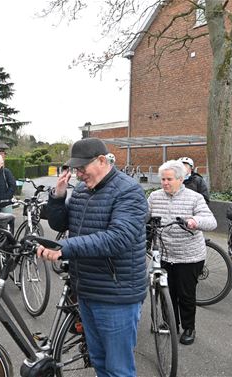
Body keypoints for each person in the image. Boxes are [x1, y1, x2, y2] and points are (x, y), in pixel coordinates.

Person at [37, 137, 148, 376]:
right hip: (86, 289)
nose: (78, 173)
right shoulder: (79, 191)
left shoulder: (128, 191)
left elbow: (118, 238)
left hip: (116, 294)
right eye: (75, 168)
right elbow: (60, 223)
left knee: (118, 369)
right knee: (98, 360)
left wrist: (64, 248)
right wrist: (58, 196)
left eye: (82, 167)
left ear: (101, 161)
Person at [148, 160, 217, 345]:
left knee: (186, 295)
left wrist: (195, 221)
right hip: (163, 254)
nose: (165, 183)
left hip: (189, 256)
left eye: (169, 179)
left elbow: (211, 221)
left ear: (180, 179)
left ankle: (189, 328)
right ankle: (171, 324)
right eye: (162, 179)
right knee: (167, 293)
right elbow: (143, 216)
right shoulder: (154, 197)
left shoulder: (194, 198)